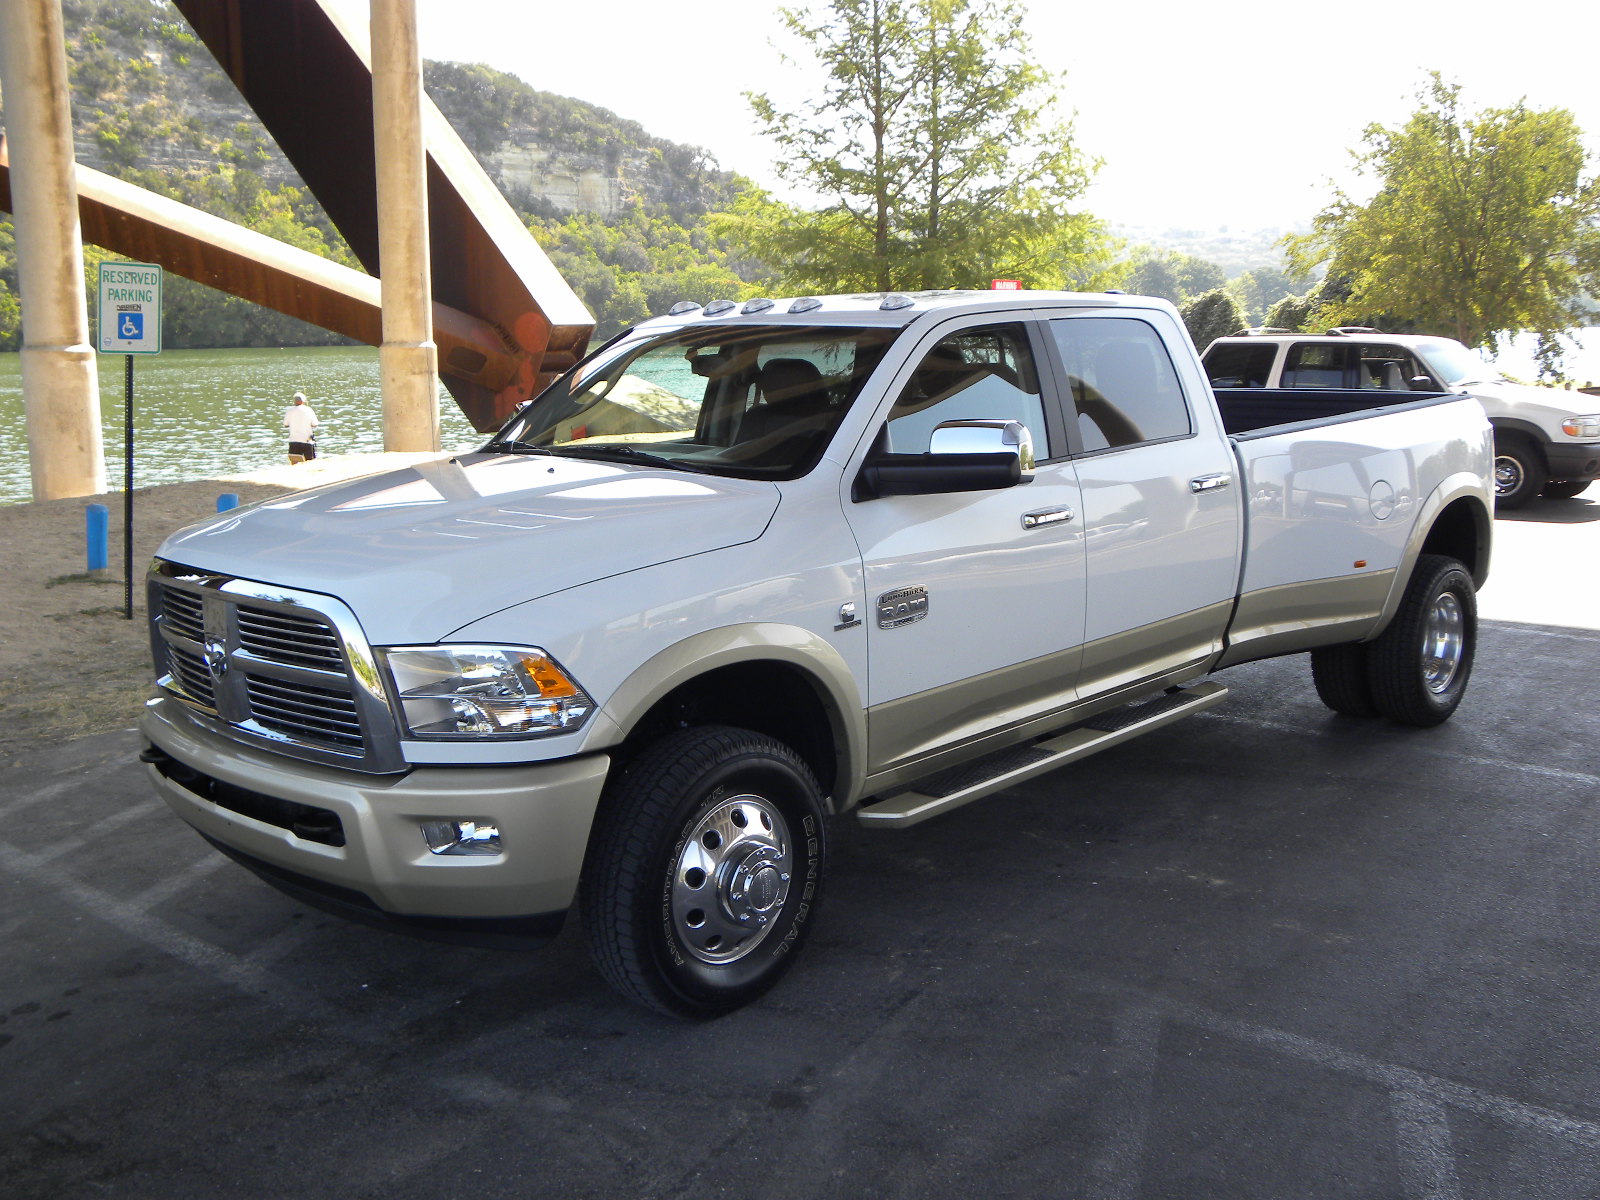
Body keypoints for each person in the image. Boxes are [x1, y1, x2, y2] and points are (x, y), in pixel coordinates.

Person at [284, 391, 319, 464]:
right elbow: (315, 424)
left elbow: (286, 424)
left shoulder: (289, 411)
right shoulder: (308, 410)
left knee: (294, 463)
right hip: (306, 441)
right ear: (303, 401)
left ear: (294, 401)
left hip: (293, 441)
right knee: (309, 462)